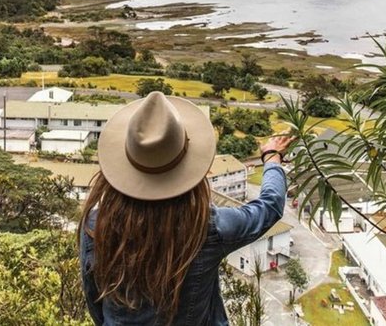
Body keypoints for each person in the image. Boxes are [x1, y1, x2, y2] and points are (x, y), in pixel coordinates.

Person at [79, 91, 295, 325]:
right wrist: (272, 158)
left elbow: (94, 301)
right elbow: (269, 206)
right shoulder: (208, 229)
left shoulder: (95, 226)